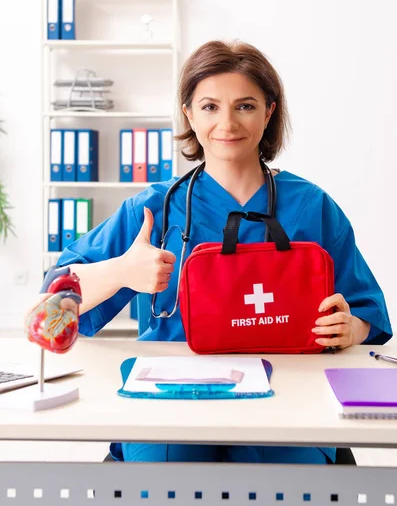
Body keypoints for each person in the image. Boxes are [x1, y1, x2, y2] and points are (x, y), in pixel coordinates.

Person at [37, 40, 392, 464]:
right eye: (209, 107)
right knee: (161, 482)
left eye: (244, 106)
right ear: (188, 113)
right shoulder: (156, 207)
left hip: (289, 390)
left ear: (269, 112)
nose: (227, 122)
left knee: (296, 479)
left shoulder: (311, 206)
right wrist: (119, 272)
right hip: (171, 394)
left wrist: (351, 327)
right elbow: (51, 308)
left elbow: (367, 312)